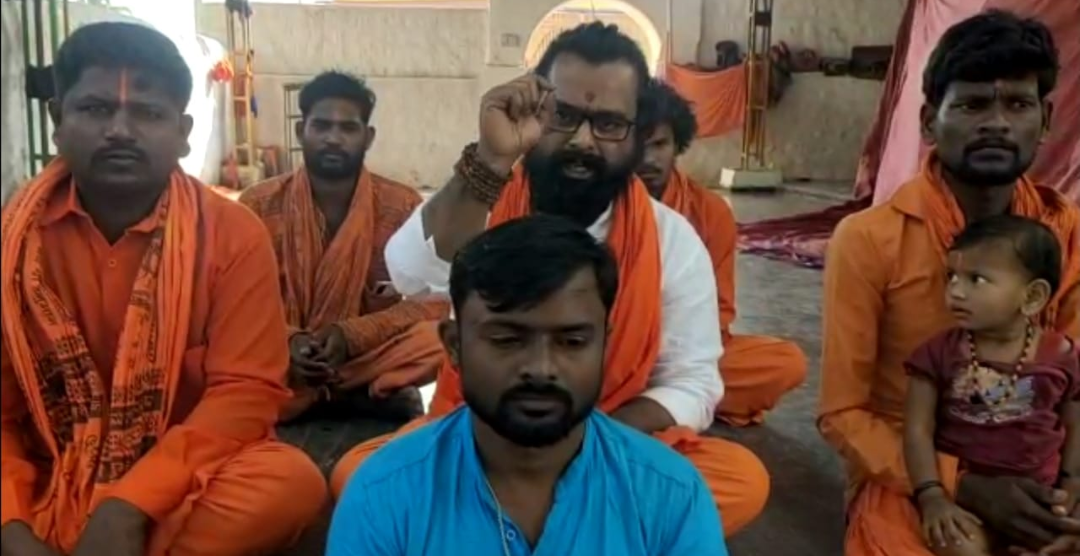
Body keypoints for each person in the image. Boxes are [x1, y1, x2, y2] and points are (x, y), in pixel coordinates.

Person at [329, 22, 770, 536]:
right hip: (478, 435)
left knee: (738, 479)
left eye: (608, 124)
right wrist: (490, 160)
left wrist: (585, 447)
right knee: (360, 476)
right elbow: (410, 274)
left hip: (610, 442)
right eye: (563, 115)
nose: (582, 140)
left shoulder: (670, 239)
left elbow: (693, 381)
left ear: (636, 134)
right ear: (533, 109)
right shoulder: (486, 201)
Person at [0, 22, 327, 556]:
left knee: (289, 484)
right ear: (58, 121)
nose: (119, 131)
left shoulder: (232, 234)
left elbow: (245, 394)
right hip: (47, 472)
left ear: (183, 131)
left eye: (147, 113)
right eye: (96, 109)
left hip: (181, 480)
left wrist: (128, 506)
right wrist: (10, 527)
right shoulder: (12, 242)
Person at [819, 11, 1080, 556]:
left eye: (1018, 104)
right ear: (928, 122)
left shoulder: (1066, 231)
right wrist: (958, 483)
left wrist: (1069, 490)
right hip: (909, 472)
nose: (997, 124)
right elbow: (842, 414)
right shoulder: (869, 238)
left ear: (1046, 120)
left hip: (1042, 470)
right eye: (972, 105)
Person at [326, 215, 728, 555]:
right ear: (454, 347)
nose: (540, 368)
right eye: (507, 340)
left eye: (572, 342)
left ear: (604, 344)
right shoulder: (383, 495)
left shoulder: (671, 494)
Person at [241, 71, 446, 422]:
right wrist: (289, 342)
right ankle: (353, 393)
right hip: (280, 356)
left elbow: (432, 302)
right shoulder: (258, 204)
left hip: (363, 356)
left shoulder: (401, 206)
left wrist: (351, 336)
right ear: (301, 131)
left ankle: (321, 391)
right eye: (321, 126)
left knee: (440, 340)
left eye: (348, 128)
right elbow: (236, 301)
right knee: (206, 350)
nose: (334, 138)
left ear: (368, 137)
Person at [903, 216, 1080, 556]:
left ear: (1033, 297)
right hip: (965, 501)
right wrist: (932, 496)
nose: (956, 291)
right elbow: (916, 431)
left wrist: (1073, 483)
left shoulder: (1063, 356)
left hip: (1041, 498)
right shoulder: (937, 354)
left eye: (977, 279)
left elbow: (1075, 423)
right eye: (951, 276)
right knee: (958, 545)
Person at [637, 79, 807, 426]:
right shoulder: (601, 202)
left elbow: (718, 313)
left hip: (681, 350)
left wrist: (668, 355)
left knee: (784, 364)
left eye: (659, 145)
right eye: (637, 145)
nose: (648, 159)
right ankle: (671, 402)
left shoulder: (710, 212)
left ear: (678, 145)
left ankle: (662, 398)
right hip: (614, 351)